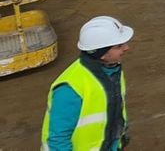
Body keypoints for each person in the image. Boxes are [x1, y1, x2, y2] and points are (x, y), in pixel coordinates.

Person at [42, 16, 133, 151]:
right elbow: (58, 140)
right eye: (119, 46)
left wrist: (121, 143)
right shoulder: (70, 87)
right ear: (101, 53)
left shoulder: (112, 71)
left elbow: (116, 112)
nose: (127, 48)